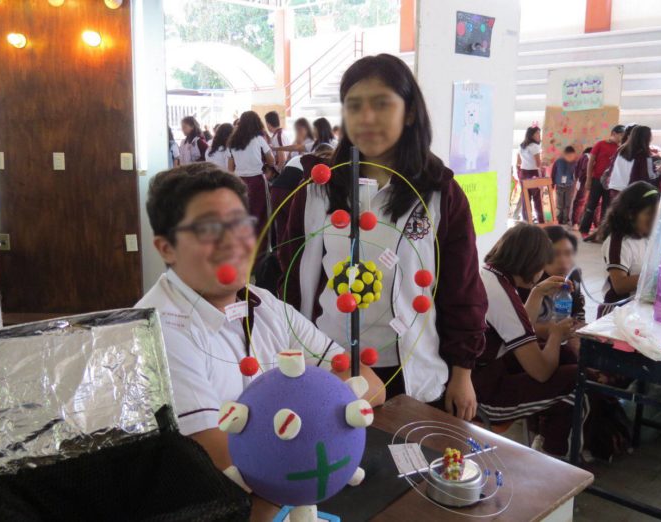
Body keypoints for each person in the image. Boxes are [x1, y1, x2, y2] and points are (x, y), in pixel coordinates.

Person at [136, 163, 384, 472]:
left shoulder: (262, 302)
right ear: (167, 248)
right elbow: (218, 456)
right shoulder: (158, 330)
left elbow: (370, 384)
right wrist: (325, 413)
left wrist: (295, 425)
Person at [280, 54, 488, 420]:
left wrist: (463, 372)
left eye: (381, 104)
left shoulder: (439, 194)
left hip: (410, 370)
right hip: (332, 365)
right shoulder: (317, 191)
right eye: (354, 106)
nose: (366, 118)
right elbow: (291, 279)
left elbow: (462, 288)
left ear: (410, 113)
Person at [475, 224, 578, 457]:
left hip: (485, 372)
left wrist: (537, 292)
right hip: (485, 397)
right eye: (543, 264)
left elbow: (518, 329)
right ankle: (552, 453)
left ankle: (544, 434)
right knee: (576, 380)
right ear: (530, 263)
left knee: (566, 356)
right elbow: (541, 372)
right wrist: (555, 336)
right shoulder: (503, 296)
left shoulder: (492, 275)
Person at [517, 226, 585, 353]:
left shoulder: (573, 278)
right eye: (554, 254)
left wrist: (577, 329)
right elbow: (516, 328)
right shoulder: (527, 282)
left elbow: (578, 313)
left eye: (568, 253)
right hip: (530, 345)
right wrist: (553, 331)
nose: (563, 261)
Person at [598, 181, 659, 318]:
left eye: (657, 213)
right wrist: (656, 276)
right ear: (630, 214)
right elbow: (619, 285)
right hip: (617, 313)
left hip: (640, 309)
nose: (655, 219)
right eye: (649, 213)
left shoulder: (650, 238)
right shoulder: (619, 242)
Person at [227, 111, 276, 239]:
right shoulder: (259, 139)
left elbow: (230, 169)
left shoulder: (232, 142)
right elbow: (272, 161)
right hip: (257, 180)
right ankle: (260, 246)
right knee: (260, 215)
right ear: (256, 123)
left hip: (238, 181)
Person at [579, 125, 625, 239]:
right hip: (597, 180)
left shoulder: (620, 148)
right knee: (591, 205)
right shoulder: (600, 144)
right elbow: (591, 162)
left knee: (606, 208)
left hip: (611, 183)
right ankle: (584, 229)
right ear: (613, 133)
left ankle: (602, 232)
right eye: (621, 135)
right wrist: (588, 179)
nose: (622, 137)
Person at [608, 125, 657, 197]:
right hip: (632, 192)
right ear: (646, 137)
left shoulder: (620, 149)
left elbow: (611, 168)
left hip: (615, 188)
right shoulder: (644, 155)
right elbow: (649, 176)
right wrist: (659, 171)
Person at [516, 126, 544, 223]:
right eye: (537, 133)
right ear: (531, 135)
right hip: (533, 173)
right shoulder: (535, 147)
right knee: (537, 199)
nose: (539, 135)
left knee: (525, 199)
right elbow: (538, 164)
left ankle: (526, 222)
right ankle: (541, 222)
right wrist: (545, 163)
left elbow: (518, 162)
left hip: (523, 173)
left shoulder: (521, 146)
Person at [551, 145, 578, 226]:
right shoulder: (558, 162)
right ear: (564, 154)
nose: (570, 158)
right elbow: (553, 173)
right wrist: (552, 184)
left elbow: (576, 175)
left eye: (572, 156)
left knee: (567, 204)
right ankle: (559, 219)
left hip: (569, 186)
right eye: (569, 156)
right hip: (559, 186)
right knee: (559, 204)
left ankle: (565, 220)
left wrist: (575, 185)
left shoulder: (575, 163)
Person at [571, 146, 592, 226]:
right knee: (584, 202)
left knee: (580, 201)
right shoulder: (587, 157)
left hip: (581, 181)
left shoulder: (582, 157)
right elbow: (585, 170)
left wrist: (578, 179)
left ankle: (575, 222)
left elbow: (576, 171)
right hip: (587, 181)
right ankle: (578, 222)